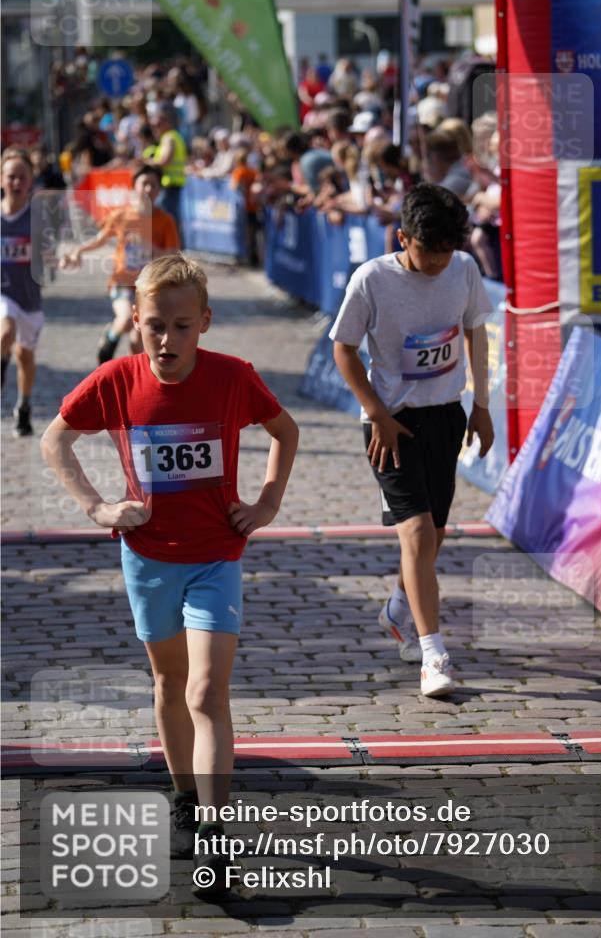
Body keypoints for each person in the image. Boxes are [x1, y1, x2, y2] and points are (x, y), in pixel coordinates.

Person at [40, 254, 299, 897]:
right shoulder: (117, 380)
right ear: (135, 322)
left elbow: (284, 432)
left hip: (218, 555)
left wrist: (266, 503)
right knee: (169, 681)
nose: (167, 340)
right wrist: (97, 506)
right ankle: (184, 796)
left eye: (182, 327)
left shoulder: (234, 378)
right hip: (149, 559)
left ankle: (214, 836)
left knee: (207, 693)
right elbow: (55, 440)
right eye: (155, 325)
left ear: (205, 323)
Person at [330, 183, 494, 697]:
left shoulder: (464, 270)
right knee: (419, 537)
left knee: (434, 539)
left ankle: (399, 611)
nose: (440, 262)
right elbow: (344, 349)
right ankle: (433, 654)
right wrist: (376, 411)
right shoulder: (372, 280)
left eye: (448, 251)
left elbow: (476, 333)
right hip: (391, 424)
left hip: (446, 415)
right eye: (430, 251)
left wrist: (482, 405)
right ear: (403, 238)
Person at [59, 165, 180, 363]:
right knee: (124, 319)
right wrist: (77, 251)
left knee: (138, 340)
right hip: (121, 282)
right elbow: (100, 239)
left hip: (149, 286)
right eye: (144, 184)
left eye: (154, 185)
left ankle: (137, 378)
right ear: (135, 187)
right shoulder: (121, 216)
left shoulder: (165, 221)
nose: (149, 189)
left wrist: (149, 248)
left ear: (159, 190)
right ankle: (108, 344)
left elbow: (173, 255)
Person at [1, 148, 44, 437]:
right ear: (1, 179)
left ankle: (24, 405)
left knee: (26, 357)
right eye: (11, 176)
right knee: (6, 332)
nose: (16, 183)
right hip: (3, 294)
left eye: (22, 177)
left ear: (30, 182)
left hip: (30, 299)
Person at [150, 102, 188, 235]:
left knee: (168, 218)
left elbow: (165, 160)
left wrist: (149, 163)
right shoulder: (175, 136)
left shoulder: (169, 137)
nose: (156, 127)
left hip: (169, 184)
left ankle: (172, 249)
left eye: (158, 124)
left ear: (166, 122)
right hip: (174, 183)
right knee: (172, 218)